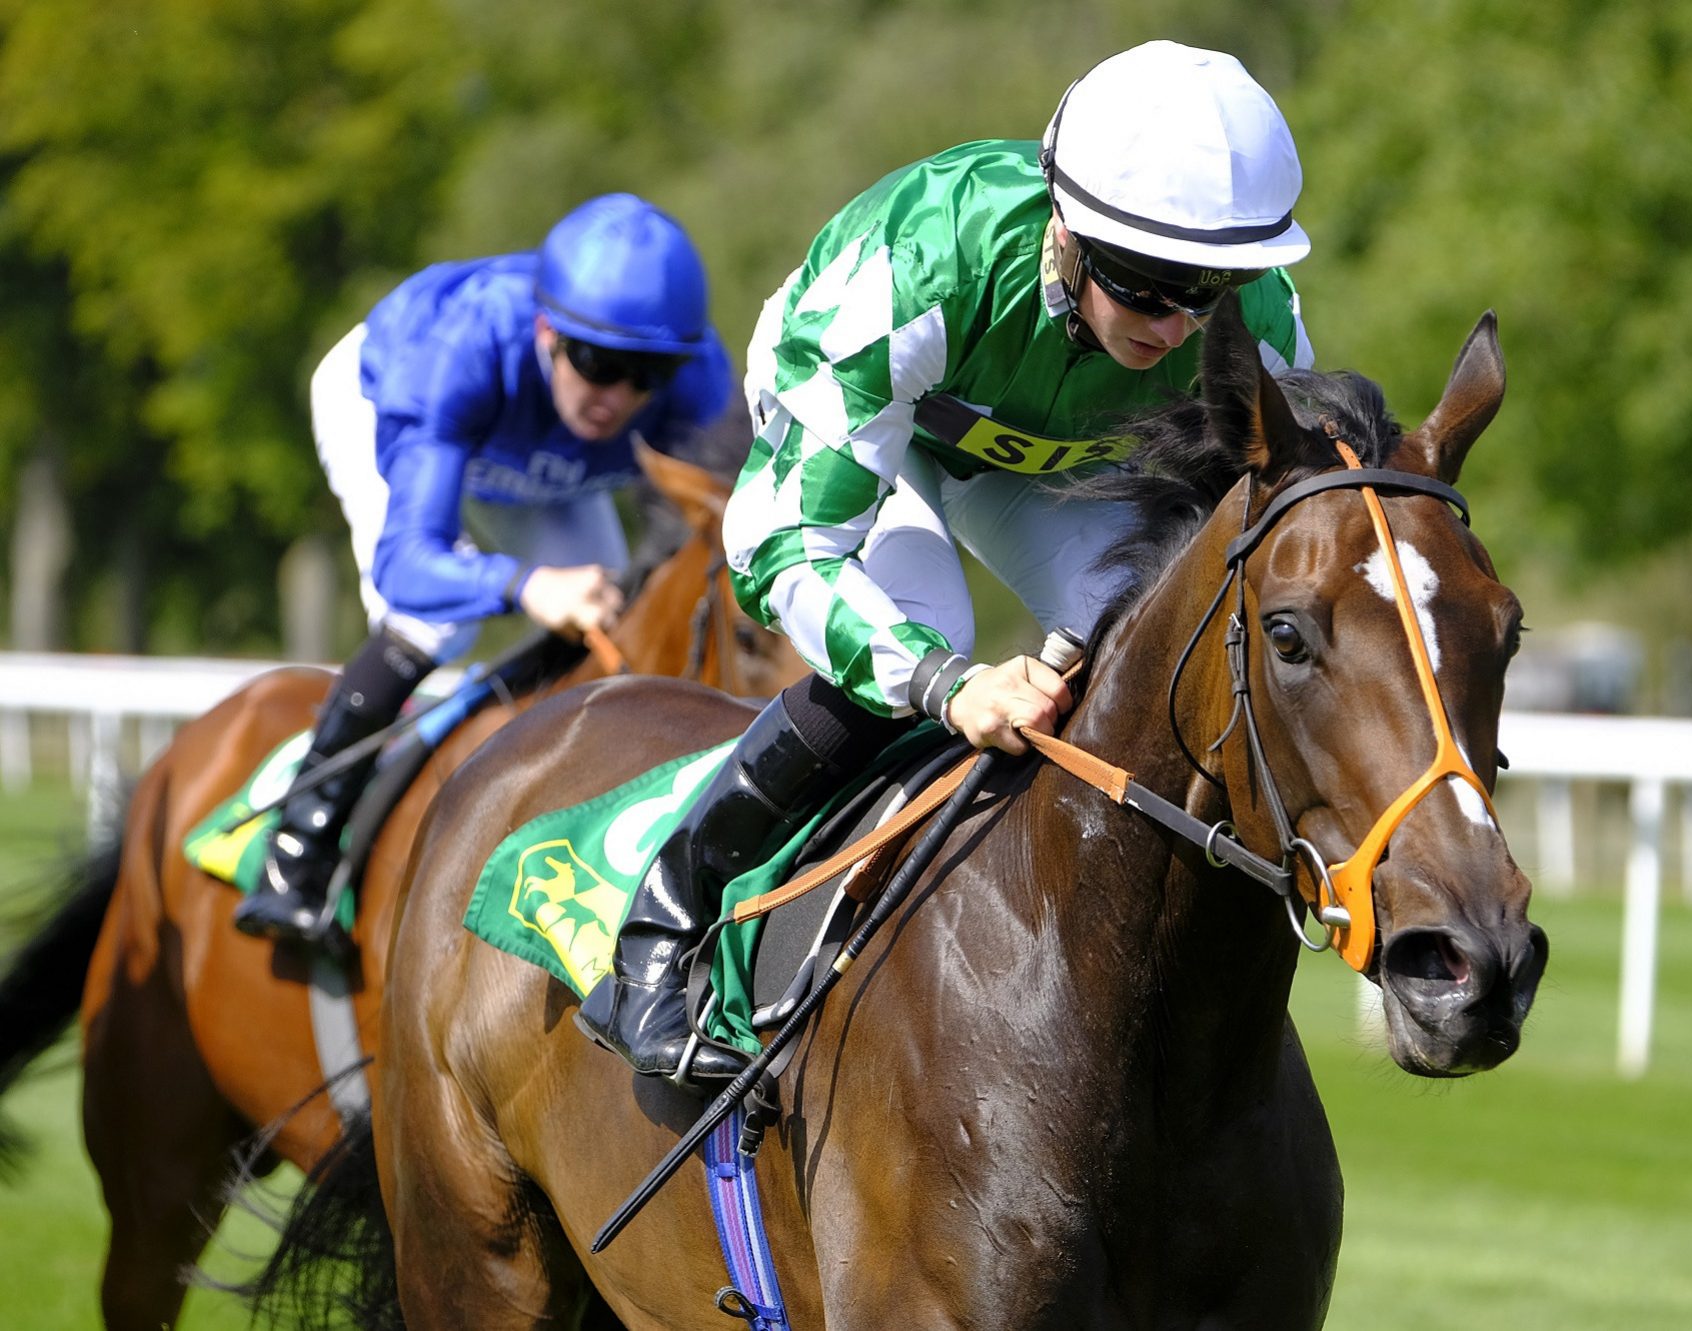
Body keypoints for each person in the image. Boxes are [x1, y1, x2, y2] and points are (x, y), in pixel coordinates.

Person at [576, 40, 1317, 1080]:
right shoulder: (916, 267)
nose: (1179, 324)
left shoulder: (1258, 324)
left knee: (1145, 620)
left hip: (1040, 457)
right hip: (883, 419)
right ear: (1066, 222)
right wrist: (945, 681)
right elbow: (781, 547)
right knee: (925, 630)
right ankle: (662, 928)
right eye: (1150, 285)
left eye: (1215, 289)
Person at [234, 193, 734, 947]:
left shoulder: (697, 383)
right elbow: (408, 562)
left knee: (614, 613)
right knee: (441, 618)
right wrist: (525, 584)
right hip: (394, 402)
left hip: (540, 462)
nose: (619, 397)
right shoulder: (461, 351)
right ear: (547, 332)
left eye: (647, 375)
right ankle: (298, 846)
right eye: (598, 365)